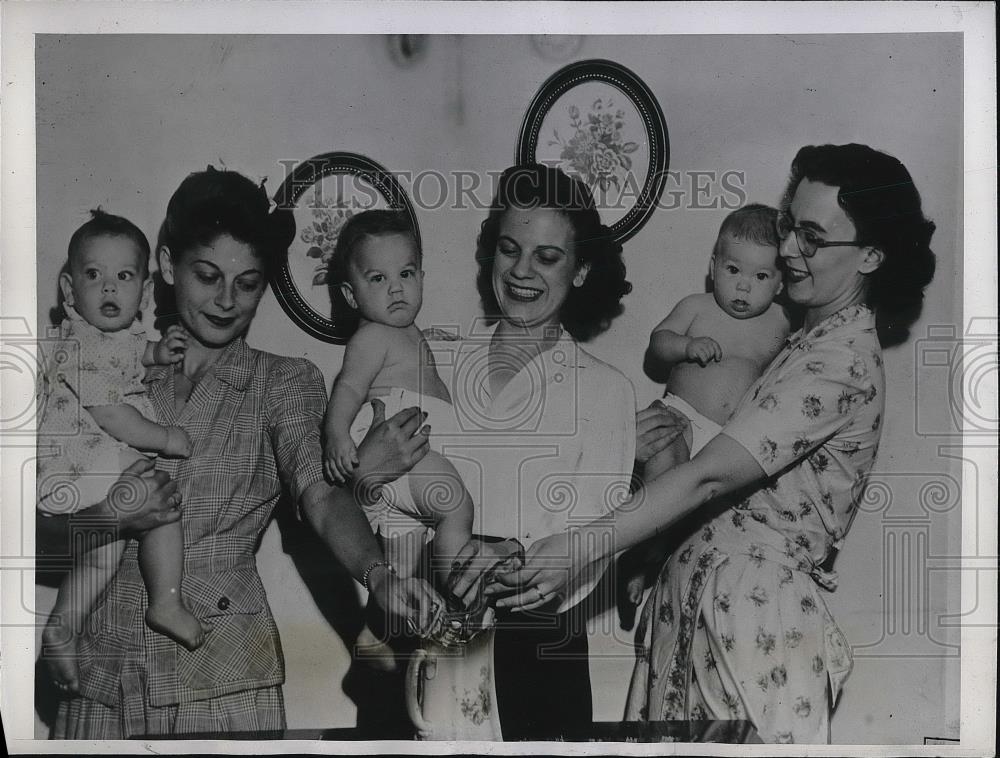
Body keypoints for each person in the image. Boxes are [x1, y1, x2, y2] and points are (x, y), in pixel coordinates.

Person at [488, 144, 937, 743]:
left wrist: (581, 545)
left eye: (811, 236)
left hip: (753, 624)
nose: (785, 250)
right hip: (704, 610)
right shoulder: (805, 342)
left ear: (872, 256)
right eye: (787, 227)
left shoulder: (840, 361)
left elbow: (709, 476)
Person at [37, 167, 444, 738]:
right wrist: (110, 517)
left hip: (222, 683)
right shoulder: (100, 367)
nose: (227, 301)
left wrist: (377, 574)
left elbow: (322, 496)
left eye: (248, 284)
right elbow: (35, 520)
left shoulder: (283, 384)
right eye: (207, 276)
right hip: (99, 678)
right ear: (167, 264)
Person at [432, 163, 642, 740]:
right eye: (509, 249)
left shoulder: (605, 390)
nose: (522, 271)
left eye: (547, 257)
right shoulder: (435, 364)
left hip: (539, 654)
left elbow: (594, 539)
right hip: (430, 640)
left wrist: (509, 555)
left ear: (581, 271)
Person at [38, 211, 201, 696]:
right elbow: (112, 414)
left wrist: (158, 351)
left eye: (123, 276)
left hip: (79, 474)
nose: (109, 288)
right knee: (160, 502)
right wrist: (165, 437)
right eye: (94, 275)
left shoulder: (112, 340)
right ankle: (165, 600)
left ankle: (62, 627)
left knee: (98, 562)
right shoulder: (81, 346)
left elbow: (135, 356)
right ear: (70, 292)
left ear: (144, 294)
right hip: (79, 462)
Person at [619, 204, 791, 617]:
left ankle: (652, 560)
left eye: (761, 277)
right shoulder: (698, 306)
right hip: (680, 417)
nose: (744, 288)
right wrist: (685, 346)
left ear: (781, 283)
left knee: (693, 517)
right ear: (714, 266)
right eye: (733, 271)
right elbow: (658, 341)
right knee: (664, 473)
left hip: (726, 443)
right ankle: (632, 550)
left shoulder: (780, 324)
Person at [323, 209, 475, 670]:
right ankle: (459, 592)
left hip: (401, 477)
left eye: (406, 273)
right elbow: (347, 388)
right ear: (351, 294)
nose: (396, 288)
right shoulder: (371, 337)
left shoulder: (404, 334)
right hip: (406, 460)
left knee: (400, 571)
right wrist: (334, 433)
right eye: (378, 278)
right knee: (456, 506)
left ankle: (375, 632)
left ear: (422, 277)